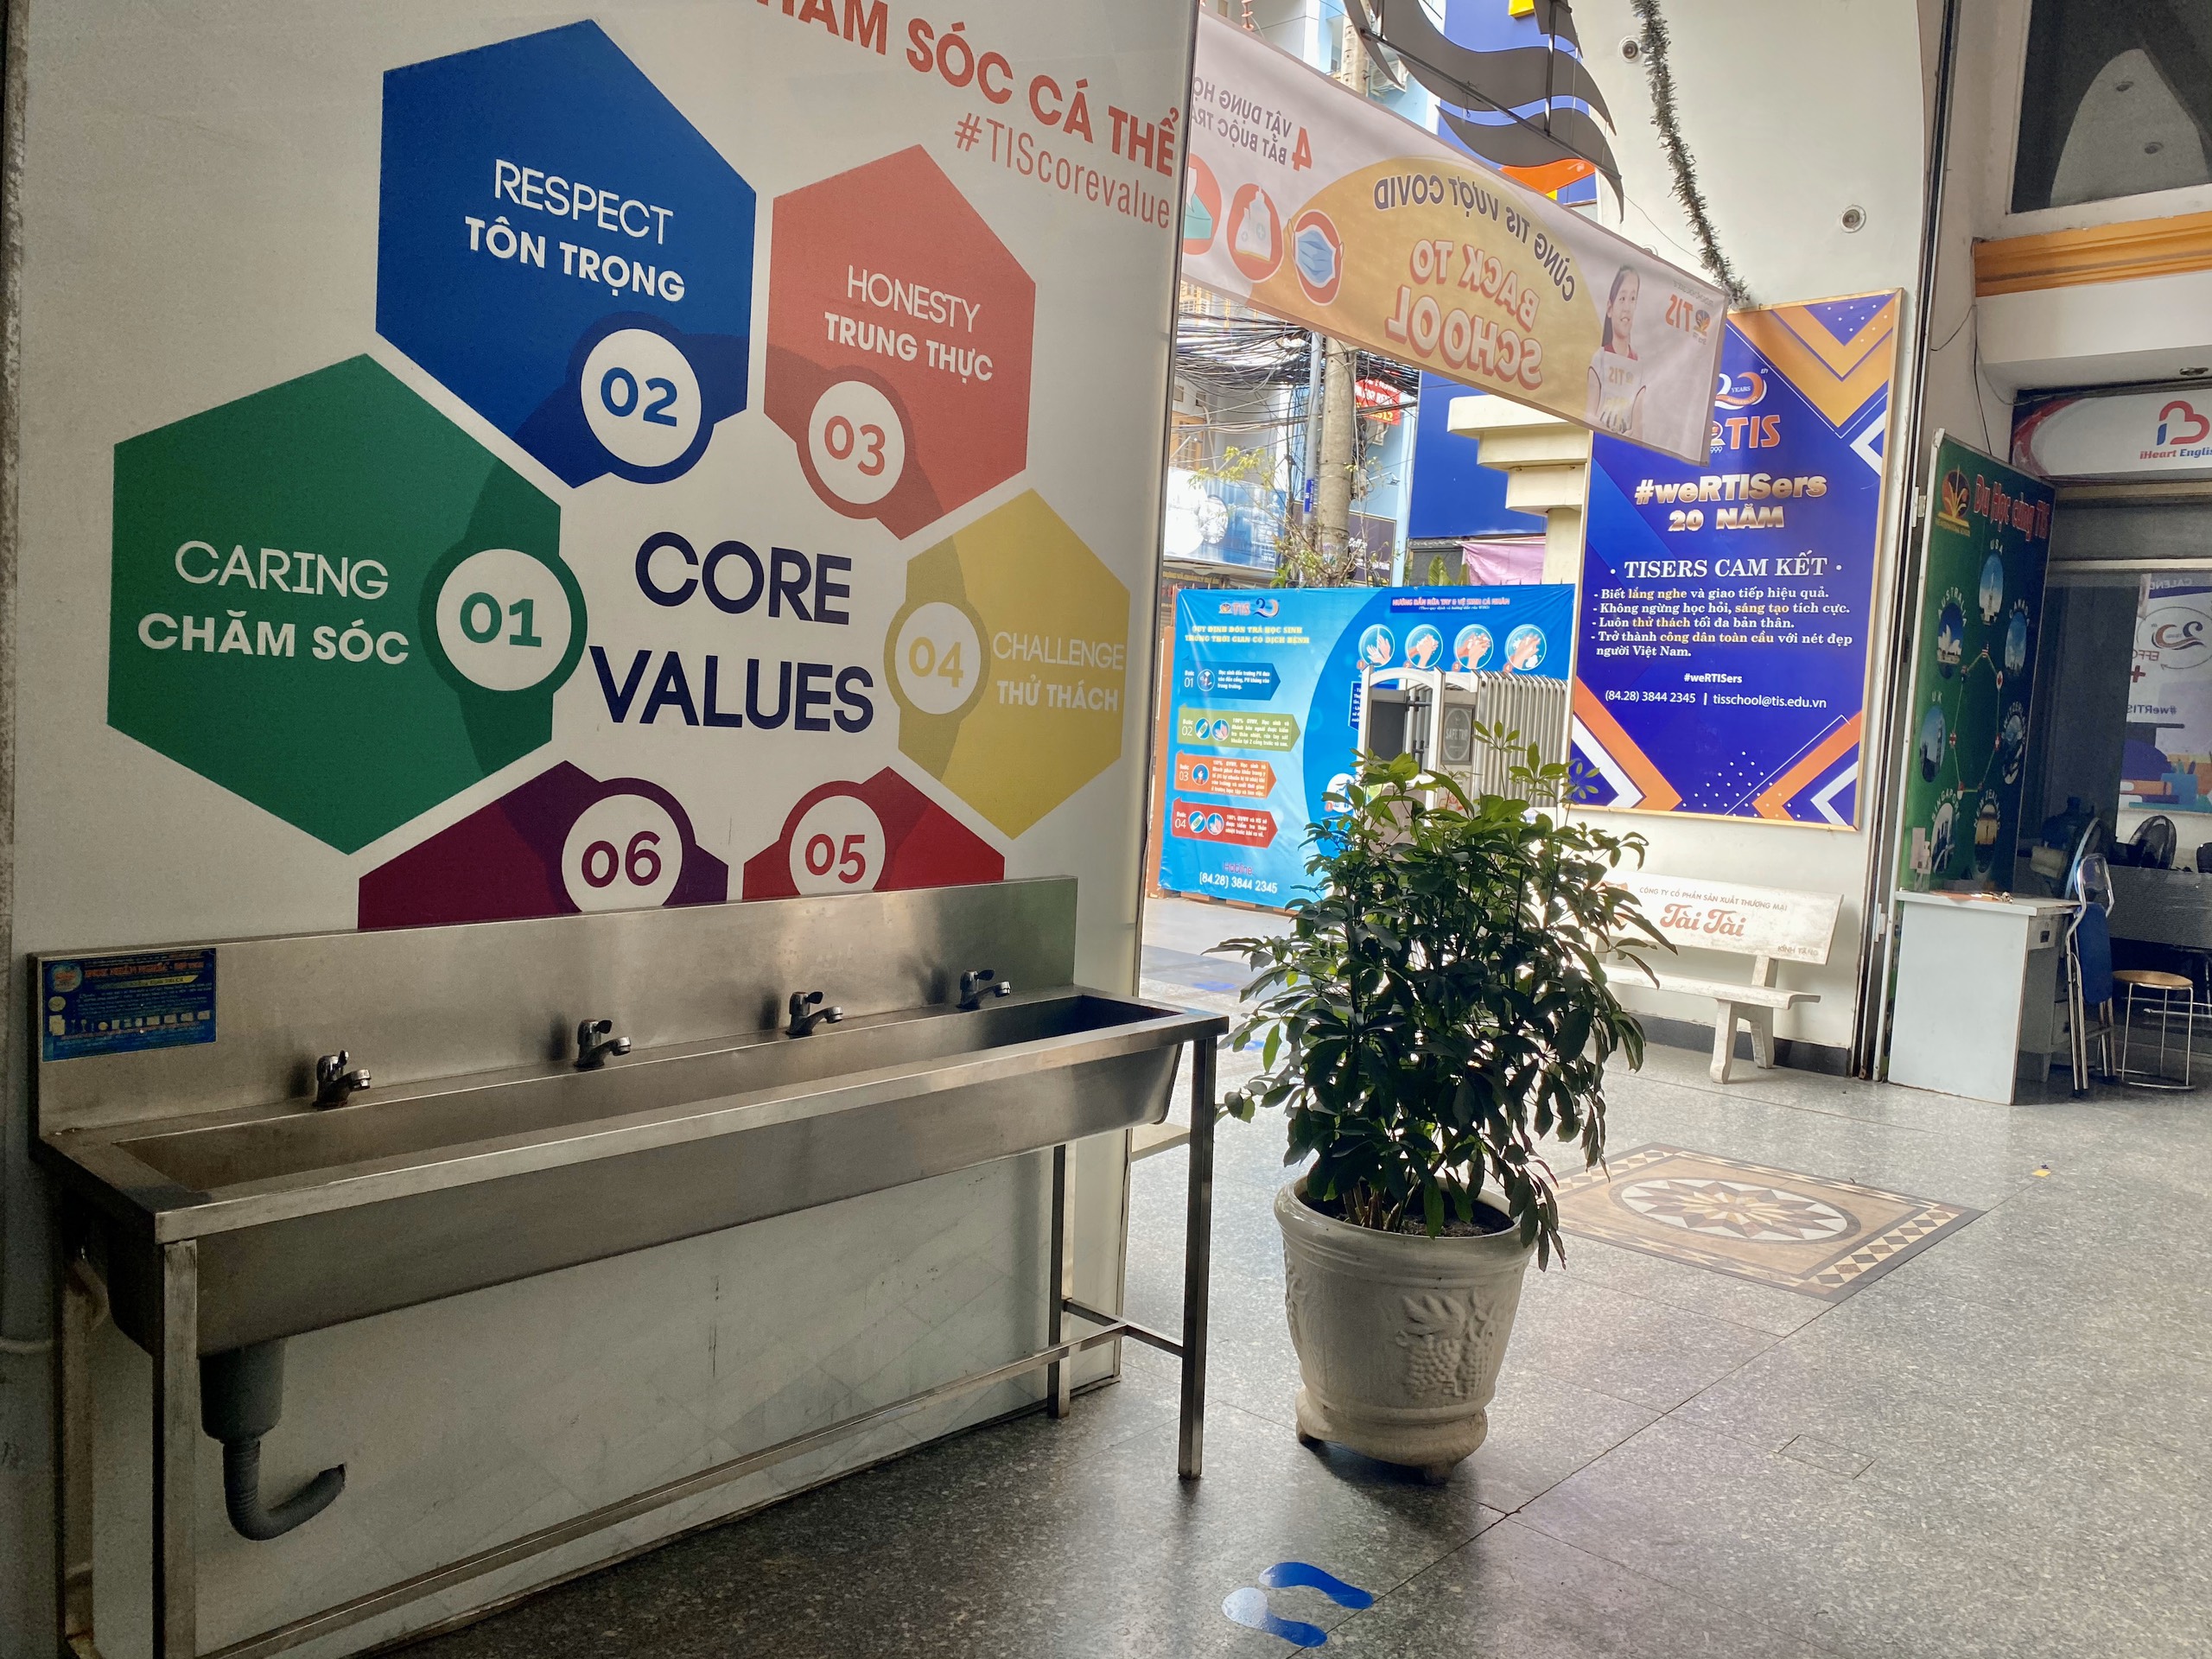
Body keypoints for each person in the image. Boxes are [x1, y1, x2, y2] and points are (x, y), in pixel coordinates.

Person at [1586, 266, 1647, 441]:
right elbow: (1588, 416)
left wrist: (1628, 440)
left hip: (1626, 450)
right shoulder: (1600, 359)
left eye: (1633, 299)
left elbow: (1638, 428)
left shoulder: (1640, 367)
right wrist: (1613, 434)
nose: (1627, 307)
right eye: (1622, 298)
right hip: (1601, 445)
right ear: (1610, 308)